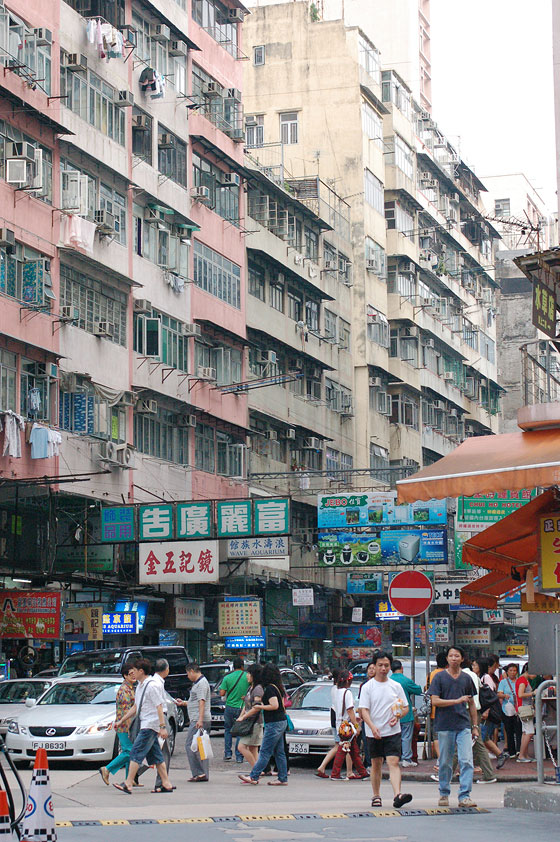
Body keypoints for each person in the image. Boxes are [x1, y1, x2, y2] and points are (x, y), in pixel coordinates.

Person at [358, 650, 412, 810]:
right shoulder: (368, 687)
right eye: (380, 665)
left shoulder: (396, 686)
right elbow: (363, 710)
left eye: (386, 665)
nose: (383, 668)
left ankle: (398, 795)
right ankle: (376, 795)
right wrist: (372, 727)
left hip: (392, 731)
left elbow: (405, 707)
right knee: (376, 764)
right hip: (373, 732)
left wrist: (398, 716)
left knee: (393, 762)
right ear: (374, 666)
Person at [113, 658, 173, 795]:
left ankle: (128, 783)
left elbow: (159, 706)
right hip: (146, 723)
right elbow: (136, 707)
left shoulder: (151, 685)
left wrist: (162, 727)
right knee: (157, 756)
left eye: (134, 671)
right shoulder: (140, 686)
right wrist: (121, 720)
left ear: (141, 671)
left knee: (135, 752)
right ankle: (166, 783)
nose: (132, 673)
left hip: (150, 725)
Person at [427, 646, 477, 808]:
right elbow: (435, 701)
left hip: (463, 725)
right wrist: (456, 701)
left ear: (462, 659)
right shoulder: (439, 677)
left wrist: (475, 726)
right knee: (445, 761)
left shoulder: (467, 678)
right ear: (447, 659)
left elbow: (472, 704)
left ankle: (465, 795)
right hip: (445, 725)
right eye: (451, 656)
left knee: (466, 760)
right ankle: (444, 792)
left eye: (457, 656)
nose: (454, 658)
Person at [239, 663, 288, 786]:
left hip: (274, 723)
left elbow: (274, 705)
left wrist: (261, 706)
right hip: (281, 721)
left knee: (265, 751)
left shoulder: (270, 689)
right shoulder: (278, 687)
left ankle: (254, 776)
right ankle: (282, 778)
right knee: (279, 752)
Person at [458, 657, 499, 783]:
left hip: (467, 710)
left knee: (464, 741)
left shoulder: (463, 675)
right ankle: (488, 773)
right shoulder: (474, 676)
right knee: (477, 742)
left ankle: (446, 775)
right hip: (476, 711)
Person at [99, 660, 138, 786]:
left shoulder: (131, 688)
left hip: (129, 725)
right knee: (129, 751)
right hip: (125, 726)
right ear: (125, 676)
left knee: (130, 752)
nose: (133, 675)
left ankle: (129, 779)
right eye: (130, 673)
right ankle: (107, 769)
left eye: (134, 673)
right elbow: (128, 711)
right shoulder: (124, 690)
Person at [176, 662, 212, 782]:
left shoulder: (201, 683)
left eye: (187, 673)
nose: (187, 676)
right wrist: (184, 703)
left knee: (191, 745)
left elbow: (202, 702)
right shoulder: (199, 683)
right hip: (198, 718)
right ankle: (202, 773)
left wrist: (200, 719)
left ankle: (199, 772)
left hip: (198, 719)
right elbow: (195, 701)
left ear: (192, 671)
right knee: (201, 745)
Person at [330, 670, 368, 780]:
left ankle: (362, 772)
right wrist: (357, 726)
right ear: (348, 681)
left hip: (340, 724)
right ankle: (335, 774)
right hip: (347, 726)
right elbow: (350, 710)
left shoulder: (336, 691)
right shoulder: (348, 693)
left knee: (353, 750)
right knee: (344, 750)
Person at [389, 661, 422, 768]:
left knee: (393, 737)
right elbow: (418, 690)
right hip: (405, 713)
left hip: (391, 714)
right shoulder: (405, 680)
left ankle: (394, 758)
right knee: (406, 736)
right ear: (402, 668)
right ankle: (406, 758)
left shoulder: (388, 681)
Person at [477, 657, 507, 770]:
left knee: (480, 738)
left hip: (486, 713)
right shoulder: (482, 677)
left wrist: (486, 711)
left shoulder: (486, 678)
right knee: (483, 738)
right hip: (483, 712)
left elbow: (489, 697)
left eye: (475, 665)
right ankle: (500, 755)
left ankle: (482, 765)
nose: (473, 667)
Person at [315, 667, 345, 778]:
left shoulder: (334, 688)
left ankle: (323, 767)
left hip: (334, 717)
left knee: (340, 746)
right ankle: (328, 768)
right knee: (341, 745)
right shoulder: (340, 690)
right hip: (339, 719)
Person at [219, 657, 249, 763]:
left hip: (229, 707)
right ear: (242, 666)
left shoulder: (227, 677)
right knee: (240, 732)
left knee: (228, 730)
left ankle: (227, 753)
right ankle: (239, 756)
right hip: (242, 708)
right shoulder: (247, 677)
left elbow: (222, 693)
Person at [236, 664, 264, 768]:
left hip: (255, 723)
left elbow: (256, 707)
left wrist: (244, 717)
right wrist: (241, 716)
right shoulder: (250, 688)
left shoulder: (258, 689)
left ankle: (255, 772)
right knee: (253, 749)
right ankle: (257, 772)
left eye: (249, 673)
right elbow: (246, 705)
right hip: (249, 722)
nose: (247, 676)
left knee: (241, 747)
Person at [151, 659, 172, 792]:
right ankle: (161, 783)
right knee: (163, 752)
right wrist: (162, 726)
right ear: (166, 669)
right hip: (159, 719)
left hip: (156, 719)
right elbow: (158, 706)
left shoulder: (156, 682)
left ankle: (163, 782)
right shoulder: (156, 683)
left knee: (156, 751)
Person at [426, 651, 448, 765]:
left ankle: (440, 758)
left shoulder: (431, 674)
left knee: (436, 735)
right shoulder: (448, 674)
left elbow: (427, 689)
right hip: (447, 710)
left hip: (434, 710)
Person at [498, 662, 521, 757]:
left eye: (514, 670)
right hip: (506, 709)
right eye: (510, 670)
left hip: (518, 709)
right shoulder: (503, 682)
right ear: (507, 672)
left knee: (519, 729)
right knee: (509, 730)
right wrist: (504, 695)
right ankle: (512, 751)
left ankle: (520, 749)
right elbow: (499, 694)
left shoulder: (519, 681)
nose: (512, 672)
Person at [357, 662, 376, 771]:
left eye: (373, 668)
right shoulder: (363, 686)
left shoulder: (380, 684)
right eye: (370, 668)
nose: (371, 670)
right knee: (367, 741)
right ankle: (369, 764)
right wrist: (360, 719)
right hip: (366, 718)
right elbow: (361, 704)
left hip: (377, 717)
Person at [515, 664, 536, 762]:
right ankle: (522, 755)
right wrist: (533, 693)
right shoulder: (522, 680)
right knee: (529, 732)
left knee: (525, 732)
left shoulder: (523, 679)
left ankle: (524, 755)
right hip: (524, 708)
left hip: (523, 708)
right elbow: (520, 694)